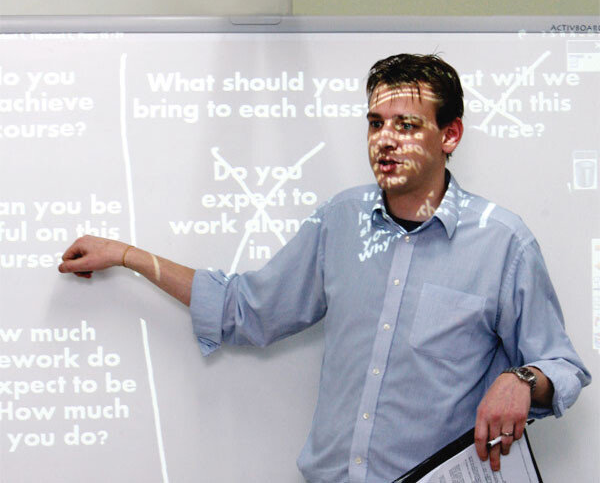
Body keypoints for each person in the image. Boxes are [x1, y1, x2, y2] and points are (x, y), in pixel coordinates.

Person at [59, 54, 590, 483]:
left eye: (406, 125)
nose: (385, 140)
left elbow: (563, 366)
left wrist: (522, 379)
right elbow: (244, 309)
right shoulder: (339, 222)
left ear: (449, 135)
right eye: (376, 123)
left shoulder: (502, 242)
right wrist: (126, 254)